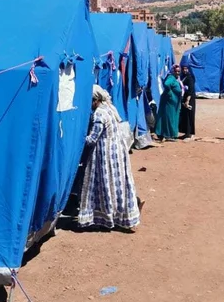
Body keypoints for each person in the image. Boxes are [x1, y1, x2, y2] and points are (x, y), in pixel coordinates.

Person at [78, 85, 141, 231]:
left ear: (95, 101)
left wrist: (77, 139)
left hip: (106, 153)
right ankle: (120, 215)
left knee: (105, 183)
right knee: (117, 184)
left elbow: (93, 139)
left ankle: (106, 216)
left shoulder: (99, 113)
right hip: (117, 151)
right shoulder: (109, 109)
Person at [155, 64, 182, 141]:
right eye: (176, 71)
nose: (177, 73)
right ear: (173, 71)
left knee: (171, 117)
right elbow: (166, 83)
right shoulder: (171, 78)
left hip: (173, 103)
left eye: (179, 71)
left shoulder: (175, 78)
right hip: (169, 102)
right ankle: (169, 135)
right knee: (170, 118)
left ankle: (167, 134)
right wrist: (169, 93)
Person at [179, 64, 196, 140]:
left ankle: (190, 134)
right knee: (185, 116)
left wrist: (187, 100)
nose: (185, 70)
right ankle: (186, 133)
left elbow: (191, 90)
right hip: (184, 98)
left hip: (189, 99)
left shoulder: (190, 78)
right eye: (183, 69)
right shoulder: (183, 77)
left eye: (186, 69)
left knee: (189, 116)